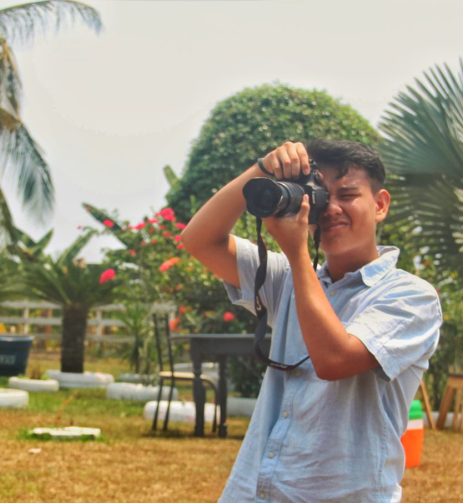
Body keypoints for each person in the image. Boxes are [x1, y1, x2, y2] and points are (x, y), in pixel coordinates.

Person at [182, 139, 442, 503]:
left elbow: (334, 360)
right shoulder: (290, 276)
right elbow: (199, 240)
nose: (331, 208)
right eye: (320, 197)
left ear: (380, 204)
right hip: (253, 493)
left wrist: (296, 252)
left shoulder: (412, 296)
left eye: (348, 195)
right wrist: (263, 169)